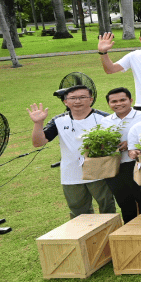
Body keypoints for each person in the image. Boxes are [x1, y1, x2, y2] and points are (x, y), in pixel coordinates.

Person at [29, 85, 116, 219]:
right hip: (71, 174)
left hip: (100, 171)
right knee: (78, 213)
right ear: (65, 101)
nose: (77, 101)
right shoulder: (58, 120)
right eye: (73, 98)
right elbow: (38, 142)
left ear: (91, 100)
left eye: (82, 97)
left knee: (107, 208)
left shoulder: (105, 119)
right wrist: (38, 123)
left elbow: (117, 142)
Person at [102, 87, 141, 222]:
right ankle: (130, 232)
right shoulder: (105, 121)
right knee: (124, 202)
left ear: (131, 100)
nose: (118, 104)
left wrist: (132, 143)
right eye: (114, 101)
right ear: (109, 104)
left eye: (123, 100)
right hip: (115, 166)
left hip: (138, 164)